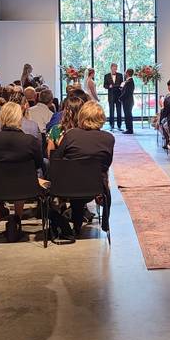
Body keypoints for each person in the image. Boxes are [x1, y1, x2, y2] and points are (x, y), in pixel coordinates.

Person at [51, 101, 115, 238]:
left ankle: (72, 222)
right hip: (96, 187)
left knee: (74, 176)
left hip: (69, 186)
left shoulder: (71, 135)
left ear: (82, 117)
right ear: (101, 118)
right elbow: (106, 164)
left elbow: (57, 159)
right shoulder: (109, 138)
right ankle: (93, 223)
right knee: (87, 177)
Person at [0, 101, 45, 241]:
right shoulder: (30, 140)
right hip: (26, 187)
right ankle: (17, 216)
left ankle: (2, 209)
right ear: (19, 117)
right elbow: (39, 164)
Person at [104, 62, 124, 131]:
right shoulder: (106, 76)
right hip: (111, 95)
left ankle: (119, 126)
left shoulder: (120, 75)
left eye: (116, 68)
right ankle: (111, 125)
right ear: (111, 68)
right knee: (111, 111)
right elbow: (105, 85)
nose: (115, 69)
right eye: (113, 68)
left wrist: (119, 86)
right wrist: (109, 86)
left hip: (119, 96)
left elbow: (122, 84)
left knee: (119, 111)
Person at [121, 68, 135, 134]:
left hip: (127, 101)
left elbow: (127, 92)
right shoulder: (128, 81)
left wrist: (120, 98)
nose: (124, 73)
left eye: (125, 72)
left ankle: (129, 129)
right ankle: (128, 128)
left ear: (127, 73)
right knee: (127, 115)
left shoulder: (129, 82)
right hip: (128, 100)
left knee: (128, 115)